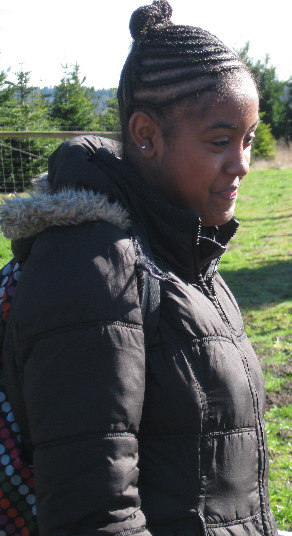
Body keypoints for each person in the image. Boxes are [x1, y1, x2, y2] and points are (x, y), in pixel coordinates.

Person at [0, 1, 277, 534]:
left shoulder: (182, 249)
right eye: (220, 142)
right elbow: (92, 512)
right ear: (147, 135)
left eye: (247, 139)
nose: (242, 163)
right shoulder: (92, 267)